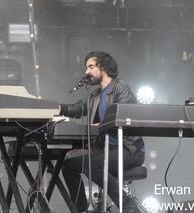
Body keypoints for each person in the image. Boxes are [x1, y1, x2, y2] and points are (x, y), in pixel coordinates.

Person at [59, 51, 145, 213]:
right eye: (86, 67)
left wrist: (101, 125)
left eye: (91, 66)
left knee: (92, 166)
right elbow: (76, 109)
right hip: (107, 150)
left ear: (103, 67)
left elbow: (124, 116)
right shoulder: (95, 95)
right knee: (69, 165)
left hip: (129, 150)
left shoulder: (120, 88)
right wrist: (55, 107)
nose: (86, 72)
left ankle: (128, 207)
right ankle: (82, 209)